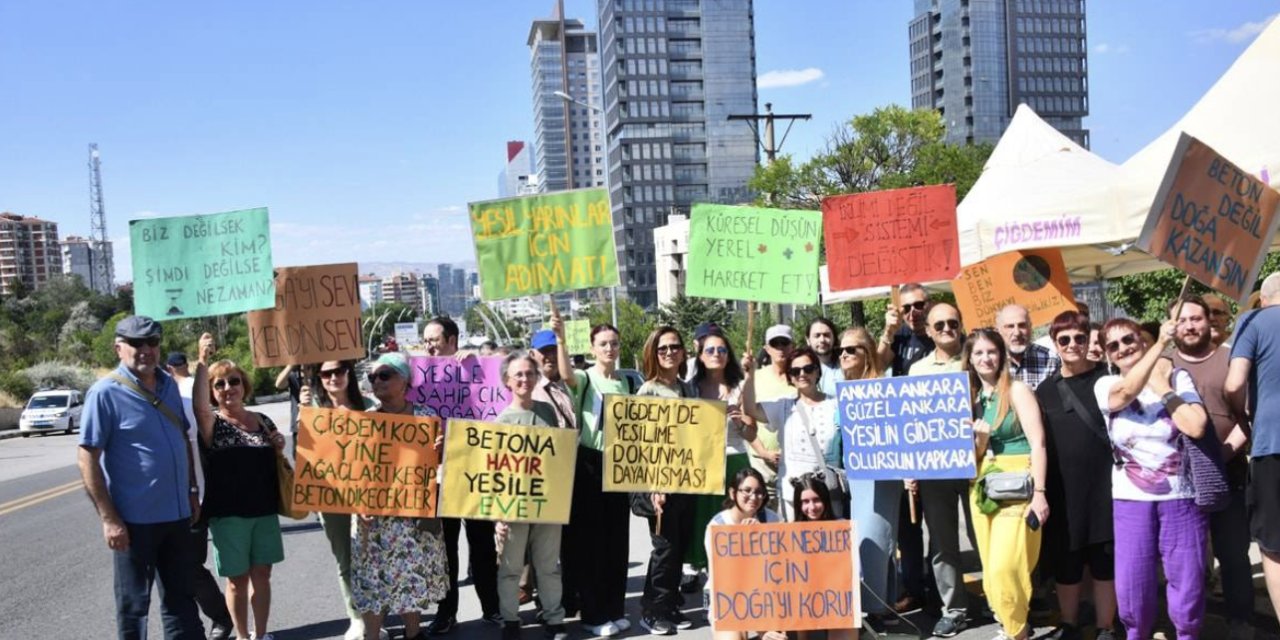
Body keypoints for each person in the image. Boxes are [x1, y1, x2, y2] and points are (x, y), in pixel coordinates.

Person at [78, 315, 204, 639]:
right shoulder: (104, 393)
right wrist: (109, 519)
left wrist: (191, 489)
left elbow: (182, 440)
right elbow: (87, 458)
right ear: (119, 348)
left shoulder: (168, 385)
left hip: (176, 515)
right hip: (135, 522)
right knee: (134, 607)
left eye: (153, 342)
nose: (146, 350)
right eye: (136, 344)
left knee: (181, 601)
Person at [1096, 317, 1209, 640]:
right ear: (1107, 355)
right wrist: (1160, 344)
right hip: (1131, 500)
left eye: (1129, 339)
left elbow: (1195, 426)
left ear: (1140, 340)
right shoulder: (1105, 385)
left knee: (1187, 581)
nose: (1123, 348)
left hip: (1180, 496)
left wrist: (1162, 384)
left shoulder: (1177, 376)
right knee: (1134, 584)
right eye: (1113, 345)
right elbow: (1125, 394)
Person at [1167, 295, 1253, 638]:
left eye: (1196, 319)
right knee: (1186, 562)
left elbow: (1246, 418)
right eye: (1182, 320)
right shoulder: (1161, 364)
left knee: (1233, 555)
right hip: (1177, 482)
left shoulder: (1232, 360)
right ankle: (1188, 623)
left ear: (1209, 322)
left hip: (1227, 474)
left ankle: (1240, 620)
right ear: (1172, 326)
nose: (1190, 326)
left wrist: (1224, 453)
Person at [351, 352, 449, 640]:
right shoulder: (365, 421)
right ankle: (371, 636)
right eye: (372, 377)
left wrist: (440, 451)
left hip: (413, 517)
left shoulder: (425, 418)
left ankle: (413, 633)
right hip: (375, 518)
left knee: (411, 577)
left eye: (384, 375)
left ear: (404, 380)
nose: (376, 381)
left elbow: (438, 470)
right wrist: (358, 504)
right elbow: (352, 471)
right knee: (372, 581)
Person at [1035, 312, 1117, 640]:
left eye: (1079, 338)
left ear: (1089, 340)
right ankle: (1069, 623)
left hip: (1105, 489)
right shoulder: (1045, 390)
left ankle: (1105, 626)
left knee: (1104, 563)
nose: (1072, 345)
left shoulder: (1108, 380)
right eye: (1064, 339)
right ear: (1055, 344)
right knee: (1066, 563)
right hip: (1063, 491)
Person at [551, 310, 633, 637]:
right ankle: (593, 613)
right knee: (592, 543)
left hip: (620, 462)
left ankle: (614, 607)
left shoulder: (625, 380)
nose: (609, 349)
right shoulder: (585, 378)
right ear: (592, 348)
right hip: (589, 463)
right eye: (603, 344)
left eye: (613, 343)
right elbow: (566, 375)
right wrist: (559, 339)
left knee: (617, 540)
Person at [965, 329, 1049, 640]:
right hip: (982, 485)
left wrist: (1040, 493)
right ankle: (1013, 625)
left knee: (1006, 566)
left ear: (1001, 355)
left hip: (1017, 484)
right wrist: (982, 440)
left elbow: (1038, 444)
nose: (985, 358)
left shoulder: (1017, 391)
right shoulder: (971, 398)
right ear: (970, 359)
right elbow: (970, 457)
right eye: (978, 353)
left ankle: (1016, 632)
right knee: (990, 568)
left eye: (991, 352)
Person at [422, 316, 502, 633]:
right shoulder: (420, 376)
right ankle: (446, 612)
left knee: (482, 544)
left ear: (452, 340)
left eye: (435, 340)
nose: (429, 345)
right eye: (426, 340)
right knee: (446, 550)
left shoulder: (472, 366)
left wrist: (477, 362)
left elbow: (500, 384)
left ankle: (492, 608)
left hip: (474, 472)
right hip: (440, 476)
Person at [196, 359, 287, 640]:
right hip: (228, 516)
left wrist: (279, 444)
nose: (228, 388)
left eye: (234, 381)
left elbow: (276, 458)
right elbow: (199, 408)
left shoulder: (263, 420)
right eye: (219, 384)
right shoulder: (213, 423)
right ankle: (243, 637)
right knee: (236, 581)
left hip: (264, 511)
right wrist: (201, 362)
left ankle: (260, 635)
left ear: (244, 385)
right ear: (212, 391)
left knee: (262, 576)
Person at [298, 360, 385, 640]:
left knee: (373, 559)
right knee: (345, 560)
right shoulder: (314, 412)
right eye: (326, 373)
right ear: (320, 379)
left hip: (369, 495)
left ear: (348, 373)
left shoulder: (371, 407)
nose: (333, 377)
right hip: (331, 498)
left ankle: (375, 619)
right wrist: (304, 414)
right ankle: (356, 617)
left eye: (338, 371)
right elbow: (307, 455)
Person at [492, 351, 570, 640]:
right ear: (507, 381)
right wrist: (496, 517)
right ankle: (511, 620)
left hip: (547, 503)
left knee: (549, 566)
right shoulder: (502, 421)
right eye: (519, 375)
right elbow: (495, 474)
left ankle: (554, 617)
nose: (525, 379)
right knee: (511, 568)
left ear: (537, 377)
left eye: (530, 373)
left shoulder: (547, 412)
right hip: (513, 507)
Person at [909, 302, 973, 637]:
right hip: (935, 469)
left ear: (961, 324)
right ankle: (954, 609)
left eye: (952, 323)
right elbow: (911, 423)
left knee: (987, 537)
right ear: (929, 331)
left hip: (977, 464)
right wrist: (909, 465)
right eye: (939, 325)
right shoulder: (917, 370)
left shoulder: (976, 358)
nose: (947, 329)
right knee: (942, 542)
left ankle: (1002, 602)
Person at [167, 337, 235, 640]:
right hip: (169, 499)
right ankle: (207, 621)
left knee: (197, 566)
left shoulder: (189, 393)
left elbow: (205, 409)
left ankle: (228, 619)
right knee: (179, 567)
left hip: (205, 493)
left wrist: (203, 359)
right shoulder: (153, 397)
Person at [635, 326, 699, 635]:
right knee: (663, 549)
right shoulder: (648, 390)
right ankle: (653, 609)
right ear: (653, 354)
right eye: (663, 349)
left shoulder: (688, 389)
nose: (670, 352)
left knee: (679, 549)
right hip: (660, 485)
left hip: (687, 481)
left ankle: (670, 604)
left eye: (675, 346)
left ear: (683, 352)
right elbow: (643, 443)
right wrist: (653, 486)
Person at [875, 283, 934, 614]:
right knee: (908, 526)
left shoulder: (943, 330)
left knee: (940, 523)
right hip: (905, 439)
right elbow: (877, 366)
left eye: (919, 305)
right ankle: (913, 588)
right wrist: (887, 330)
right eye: (907, 307)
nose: (914, 312)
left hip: (940, 439)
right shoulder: (897, 336)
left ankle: (940, 589)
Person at [1226, 272, 1280, 621]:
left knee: (1274, 545)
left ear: (1262, 298)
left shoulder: (1253, 321)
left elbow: (1234, 384)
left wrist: (1243, 418)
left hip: (1271, 442)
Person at [837, 328, 899, 631]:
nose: (844, 355)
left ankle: (877, 608)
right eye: (842, 350)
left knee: (876, 536)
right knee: (858, 537)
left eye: (852, 349)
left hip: (881, 474)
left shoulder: (886, 385)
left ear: (867, 353)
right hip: (852, 474)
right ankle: (876, 603)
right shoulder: (843, 388)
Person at [687, 327, 757, 579]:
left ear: (728, 355)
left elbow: (751, 434)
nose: (716, 354)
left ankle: (737, 579)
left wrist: (739, 421)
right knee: (707, 525)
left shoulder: (740, 387)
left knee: (733, 523)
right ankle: (709, 582)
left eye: (722, 350)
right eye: (710, 350)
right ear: (701, 356)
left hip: (734, 461)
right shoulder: (690, 389)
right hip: (703, 466)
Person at [756, 347, 840, 522]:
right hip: (792, 498)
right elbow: (749, 409)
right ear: (790, 377)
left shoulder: (837, 404)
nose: (802, 374)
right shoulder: (783, 405)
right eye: (795, 371)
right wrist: (749, 374)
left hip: (830, 496)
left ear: (818, 371)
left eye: (808, 369)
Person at [704, 468, 784, 640]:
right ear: (733, 493)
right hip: (729, 599)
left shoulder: (772, 520)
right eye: (747, 491)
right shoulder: (717, 527)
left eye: (759, 492)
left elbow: (781, 568)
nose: (754, 497)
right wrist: (742, 542)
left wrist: (762, 537)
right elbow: (724, 577)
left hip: (764, 597)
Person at [788, 475, 858, 640]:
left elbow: (855, 575)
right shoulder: (789, 533)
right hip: (802, 603)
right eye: (805, 502)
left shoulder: (842, 528)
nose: (811, 507)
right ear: (798, 505)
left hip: (836, 602)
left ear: (825, 500)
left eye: (816, 500)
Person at [750, 325, 797, 506]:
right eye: (774, 343)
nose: (780, 348)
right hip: (761, 469)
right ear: (766, 348)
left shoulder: (801, 376)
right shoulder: (756, 377)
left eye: (784, 342)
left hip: (794, 469)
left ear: (792, 346)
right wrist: (764, 452)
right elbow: (746, 419)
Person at [996, 304, 1058, 390]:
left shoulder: (1049, 359)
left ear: (1030, 327)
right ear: (999, 330)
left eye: (1022, 325)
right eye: (1010, 326)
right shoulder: (991, 361)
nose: (1017, 333)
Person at [273, 364, 304, 461]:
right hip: (299, 427)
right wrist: (291, 364)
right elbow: (279, 384)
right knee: (301, 462)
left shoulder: (322, 374)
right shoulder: (293, 375)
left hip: (320, 423)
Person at [806, 317, 841, 395]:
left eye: (826, 335)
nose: (822, 340)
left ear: (834, 338)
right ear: (808, 340)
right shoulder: (801, 369)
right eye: (817, 336)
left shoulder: (845, 365)